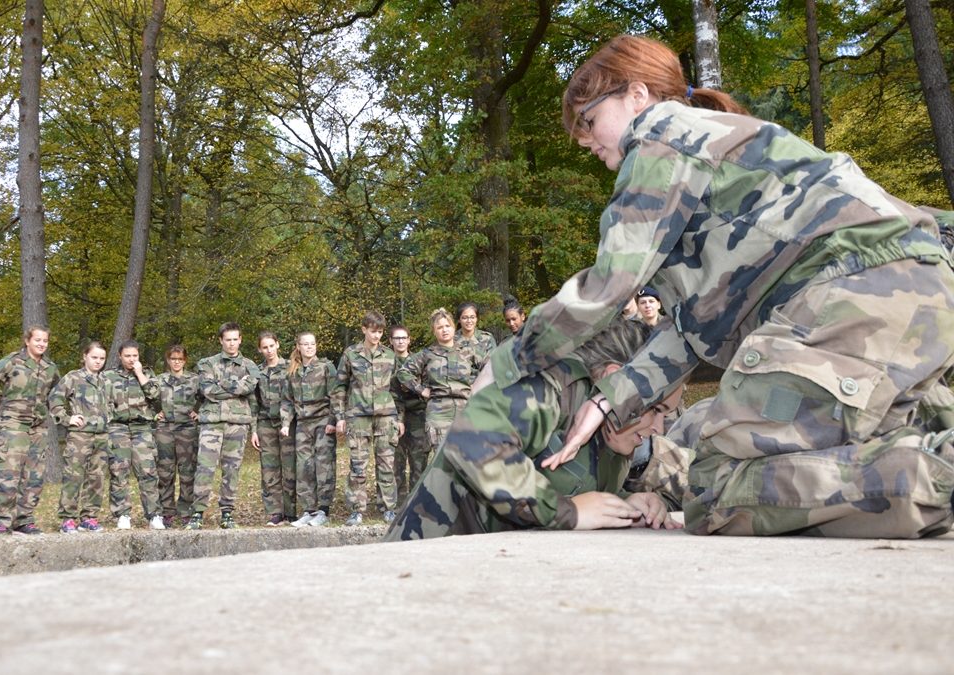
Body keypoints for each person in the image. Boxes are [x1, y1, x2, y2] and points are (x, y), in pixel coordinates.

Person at [482, 34, 954, 538]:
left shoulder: (661, 133)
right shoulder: (715, 164)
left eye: (589, 120)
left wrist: (510, 361)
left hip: (849, 295)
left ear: (636, 95)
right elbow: (691, 330)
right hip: (915, 293)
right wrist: (607, 402)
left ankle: (938, 479)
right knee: (856, 452)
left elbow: (610, 282)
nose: (583, 140)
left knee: (714, 488)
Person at [386, 318, 682, 540]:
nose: (657, 428)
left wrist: (624, 506)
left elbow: (580, 486)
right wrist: (566, 512)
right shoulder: (553, 385)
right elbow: (473, 442)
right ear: (614, 380)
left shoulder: (618, 429)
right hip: (426, 558)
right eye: (655, 410)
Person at [0, 325, 60, 535]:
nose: (41, 344)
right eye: (37, 340)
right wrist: (4, 400)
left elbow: (56, 393)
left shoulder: (50, 368)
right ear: (27, 341)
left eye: (45, 341)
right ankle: (1, 520)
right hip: (13, 425)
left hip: (38, 428)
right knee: (8, 474)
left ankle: (24, 520)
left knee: (34, 477)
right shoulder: (13, 361)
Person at [332, 311, 404, 526]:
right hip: (357, 417)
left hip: (385, 417)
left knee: (386, 465)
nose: (376, 336)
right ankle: (357, 510)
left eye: (380, 332)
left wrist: (399, 418)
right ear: (364, 329)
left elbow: (397, 390)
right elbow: (339, 387)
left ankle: (388, 508)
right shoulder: (351, 354)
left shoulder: (390, 356)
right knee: (357, 465)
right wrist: (340, 416)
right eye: (373, 331)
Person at [187, 322, 260, 530]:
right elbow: (208, 390)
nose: (231, 344)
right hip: (211, 423)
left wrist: (222, 385)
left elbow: (251, 387)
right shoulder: (206, 363)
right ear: (221, 340)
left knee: (232, 469)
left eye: (235, 339)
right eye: (227, 339)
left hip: (238, 423)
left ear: (240, 339)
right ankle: (198, 513)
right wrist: (238, 387)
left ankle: (227, 513)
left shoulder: (250, 365)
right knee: (204, 467)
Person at [397, 309, 486, 460]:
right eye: (439, 327)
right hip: (439, 412)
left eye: (447, 326)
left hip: (466, 409)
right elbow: (403, 373)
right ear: (434, 331)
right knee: (443, 459)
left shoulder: (468, 351)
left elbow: (490, 368)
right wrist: (421, 390)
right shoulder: (427, 354)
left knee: (469, 458)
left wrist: (477, 388)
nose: (444, 330)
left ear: (453, 327)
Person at [50, 341, 110, 533]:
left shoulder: (106, 380)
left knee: (97, 477)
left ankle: (89, 517)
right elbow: (55, 399)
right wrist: (67, 418)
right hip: (79, 437)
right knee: (74, 476)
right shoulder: (73, 378)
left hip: (102, 436)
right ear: (85, 356)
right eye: (94, 357)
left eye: (101, 358)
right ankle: (67, 518)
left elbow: (115, 405)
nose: (98, 362)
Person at [104, 340, 164, 530]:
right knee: (118, 471)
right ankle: (122, 514)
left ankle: (154, 515)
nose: (131, 359)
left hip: (142, 428)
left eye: (135, 356)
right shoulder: (108, 376)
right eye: (127, 356)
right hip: (117, 428)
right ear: (120, 357)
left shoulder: (147, 373)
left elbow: (155, 394)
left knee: (148, 472)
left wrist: (139, 373)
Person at [280, 331, 337, 527]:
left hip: (322, 422)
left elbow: (335, 396)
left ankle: (323, 510)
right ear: (298, 346)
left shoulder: (326, 367)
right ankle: (308, 510)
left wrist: (333, 420)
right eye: (305, 344)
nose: (310, 347)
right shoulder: (293, 371)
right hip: (303, 424)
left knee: (324, 465)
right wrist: (286, 423)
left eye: (312, 343)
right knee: (304, 467)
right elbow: (287, 400)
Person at [250, 331, 296, 527]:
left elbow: (295, 397)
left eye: (271, 346)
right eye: (264, 347)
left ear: (278, 345)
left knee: (290, 468)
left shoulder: (290, 368)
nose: (269, 350)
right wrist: (253, 430)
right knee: (269, 470)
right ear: (260, 349)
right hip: (265, 424)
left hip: (288, 424)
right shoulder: (257, 373)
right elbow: (253, 402)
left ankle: (292, 511)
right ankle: (275, 512)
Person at [154, 344, 200, 528]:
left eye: (180, 359)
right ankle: (167, 511)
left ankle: (186, 510)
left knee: (188, 472)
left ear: (185, 361)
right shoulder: (160, 380)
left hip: (187, 429)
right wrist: (154, 413)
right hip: (165, 430)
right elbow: (148, 397)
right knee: (165, 472)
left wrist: (199, 413)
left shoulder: (194, 380)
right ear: (168, 360)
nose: (176, 362)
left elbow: (206, 398)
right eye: (173, 359)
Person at [390, 324, 428, 505]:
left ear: (409, 340)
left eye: (404, 338)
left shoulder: (418, 360)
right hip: (392, 415)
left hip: (417, 415)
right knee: (396, 462)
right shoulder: (386, 362)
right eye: (397, 338)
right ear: (391, 341)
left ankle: (416, 501)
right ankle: (398, 502)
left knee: (418, 459)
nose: (401, 341)